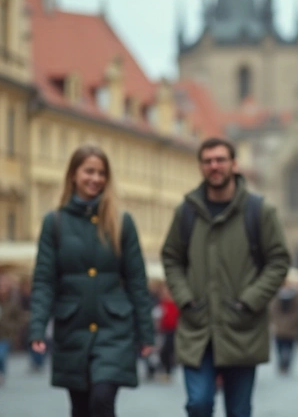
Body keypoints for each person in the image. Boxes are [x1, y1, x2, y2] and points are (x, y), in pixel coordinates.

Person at [161, 137, 290, 417]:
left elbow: (279, 261)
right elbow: (171, 258)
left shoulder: (258, 210)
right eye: (207, 161)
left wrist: (250, 300)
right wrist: (184, 299)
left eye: (220, 160)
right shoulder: (186, 211)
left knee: (239, 411)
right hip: (198, 327)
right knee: (198, 403)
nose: (214, 166)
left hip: (241, 326)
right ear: (201, 167)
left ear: (234, 164)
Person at [29, 144, 155, 417]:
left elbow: (136, 282)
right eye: (89, 171)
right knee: (81, 407)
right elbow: (44, 280)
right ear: (73, 175)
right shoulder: (55, 222)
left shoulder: (122, 222)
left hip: (114, 328)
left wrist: (146, 333)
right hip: (71, 326)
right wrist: (38, 326)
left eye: (101, 173)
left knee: (102, 399)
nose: (95, 179)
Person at [269, 282, 298, 375]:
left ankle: (283, 364)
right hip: (290, 328)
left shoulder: (276, 296)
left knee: (281, 347)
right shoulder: (296, 297)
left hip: (280, 328)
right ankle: (285, 364)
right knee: (289, 347)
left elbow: (272, 311)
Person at [0, 273, 23, 386]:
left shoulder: (13, 301)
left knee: (1, 354)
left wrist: (13, 328)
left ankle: (2, 373)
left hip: (6, 334)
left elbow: (18, 317)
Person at [158, 283, 179, 382]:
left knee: (169, 350)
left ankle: (169, 370)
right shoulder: (162, 303)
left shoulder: (176, 303)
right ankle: (166, 369)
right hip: (164, 330)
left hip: (174, 330)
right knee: (164, 351)